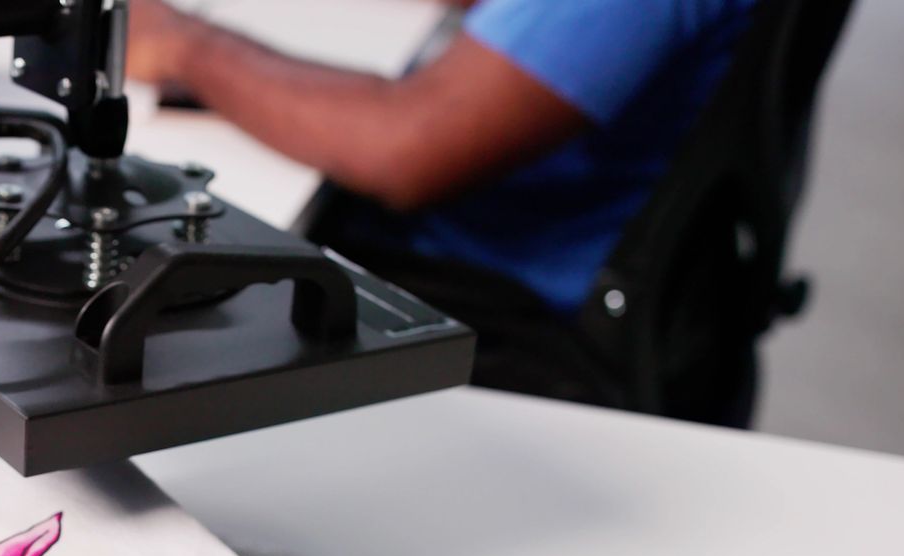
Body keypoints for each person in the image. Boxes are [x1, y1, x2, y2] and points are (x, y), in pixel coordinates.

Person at [128, 0, 761, 418]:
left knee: (120, 278)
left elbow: (401, 149)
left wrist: (184, 45)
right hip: (559, 248)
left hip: (488, 289)